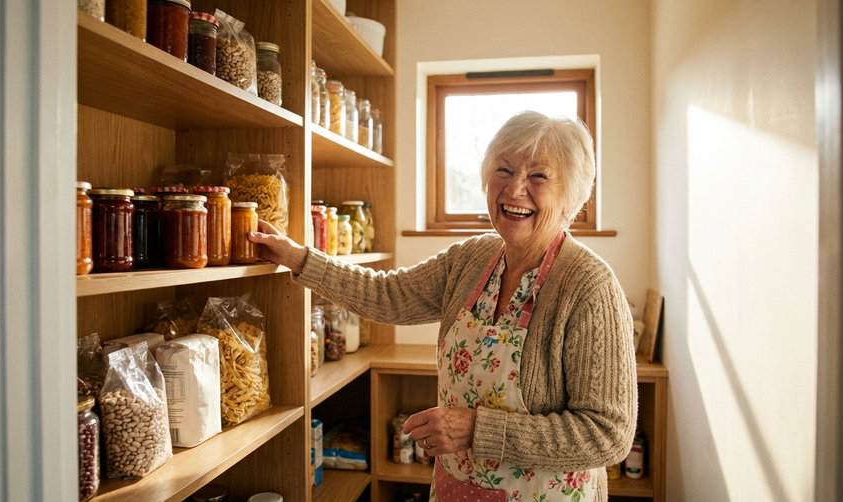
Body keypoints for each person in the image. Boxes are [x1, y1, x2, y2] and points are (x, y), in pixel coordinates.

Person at [248, 111, 637, 501]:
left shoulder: (589, 287)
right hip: (456, 490)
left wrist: (476, 430)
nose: (515, 189)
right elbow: (388, 295)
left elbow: (609, 434)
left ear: (571, 194)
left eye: (538, 176)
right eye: (503, 169)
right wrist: (299, 259)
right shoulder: (472, 258)